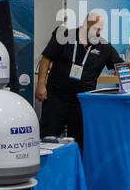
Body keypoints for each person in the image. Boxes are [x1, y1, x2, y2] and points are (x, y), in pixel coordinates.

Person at [36, 11, 122, 144]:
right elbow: (46, 59)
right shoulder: (64, 36)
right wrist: (41, 84)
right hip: (56, 97)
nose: (98, 33)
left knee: (78, 142)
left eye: (100, 29)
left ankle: (75, 165)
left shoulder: (104, 47)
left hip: (83, 101)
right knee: (48, 137)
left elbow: (120, 66)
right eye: (95, 29)